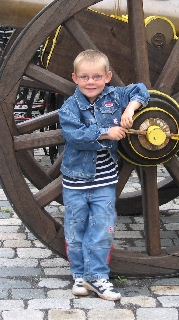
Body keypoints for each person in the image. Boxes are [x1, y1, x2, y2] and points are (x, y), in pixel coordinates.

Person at [58, 50, 150, 301]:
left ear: (108, 77)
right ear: (75, 78)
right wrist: (106, 132)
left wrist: (130, 108)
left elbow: (141, 90)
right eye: (85, 77)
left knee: (102, 228)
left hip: (105, 182)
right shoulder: (69, 107)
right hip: (75, 182)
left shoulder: (115, 97)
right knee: (75, 229)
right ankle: (79, 276)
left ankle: (98, 276)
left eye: (97, 76)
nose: (91, 82)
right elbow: (74, 136)